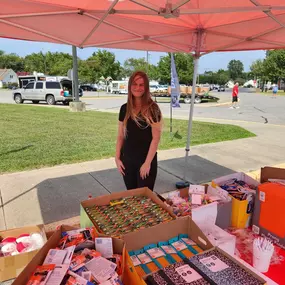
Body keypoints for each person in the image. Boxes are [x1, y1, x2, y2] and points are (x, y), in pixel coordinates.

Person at [115, 71, 162, 191]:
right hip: (128, 161)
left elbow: (155, 139)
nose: (138, 88)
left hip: (145, 160)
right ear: (130, 86)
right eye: (135, 84)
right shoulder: (124, 108)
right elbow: (120, 135)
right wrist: (117, 157)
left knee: (144, 199)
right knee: (132, 196)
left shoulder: (153, 109)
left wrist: (147, 163)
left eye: (141, 85)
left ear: (146, 87)